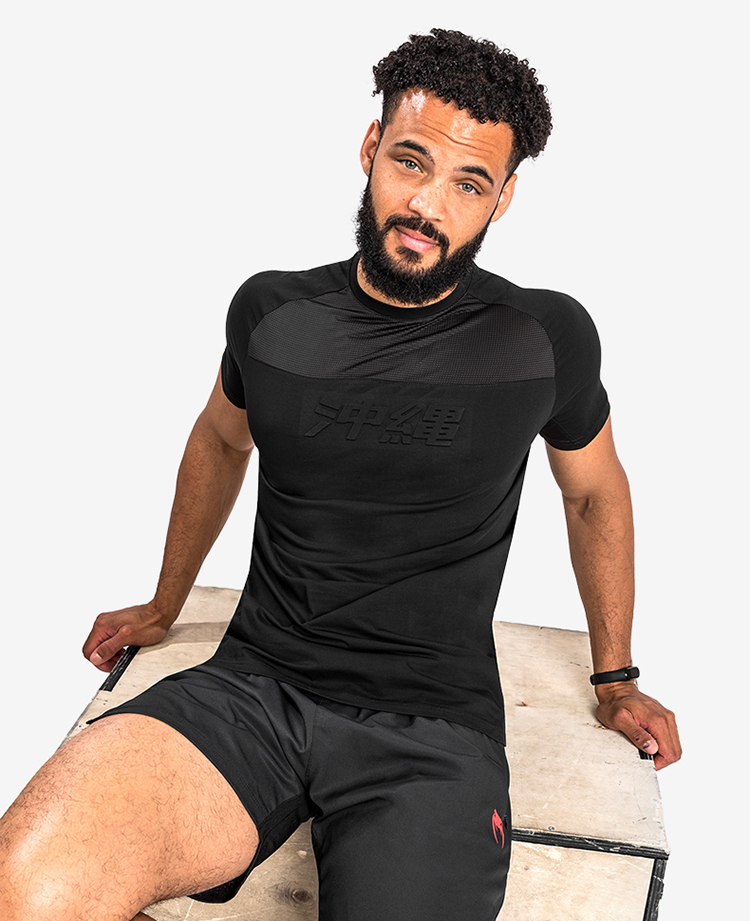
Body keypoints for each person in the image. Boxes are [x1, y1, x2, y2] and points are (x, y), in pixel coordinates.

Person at [0, 28, 681, 921]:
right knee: (24, 885)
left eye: (468, 182)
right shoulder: (273, 312)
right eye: (411, 161)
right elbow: (219, 441)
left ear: (503, 198)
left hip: (434, 729)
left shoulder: (542, 338)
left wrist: (616, 677)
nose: (426, 204)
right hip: (251, 688)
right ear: (370, 148)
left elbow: (593, 490)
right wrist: (165, 603)